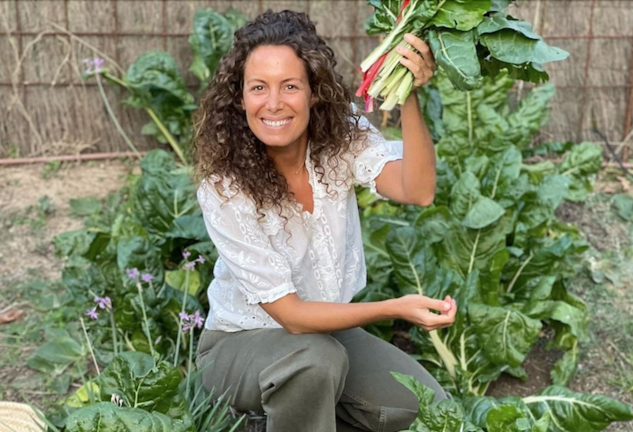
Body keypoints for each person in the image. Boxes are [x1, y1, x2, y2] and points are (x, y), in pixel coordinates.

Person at [192, 9, 456, 432]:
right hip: (240, 347)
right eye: (258, 87)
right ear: (240, 98)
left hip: (327, 336)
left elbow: (417, 190)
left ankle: (281, 420)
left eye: (290, 86)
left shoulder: (339, 142)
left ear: (314, 92)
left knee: (427, 411)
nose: (273, 103)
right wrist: (396, 309)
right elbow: (293, 317)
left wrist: (409, 93)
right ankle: (256, 413)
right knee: (315, 362)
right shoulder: (225, 187)